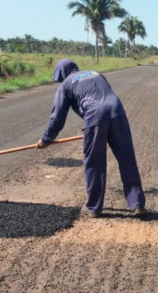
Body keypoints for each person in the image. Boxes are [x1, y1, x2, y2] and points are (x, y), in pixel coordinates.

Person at [36, 59, 146, 218]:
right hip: (117, 111)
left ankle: (94, 207)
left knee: (94, 162)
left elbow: (57, 118)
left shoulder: (66, 84)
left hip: (95, 115)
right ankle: (137, 204)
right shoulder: (95, 73)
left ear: (61, 74)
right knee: (126, 158)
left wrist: (45, 139)